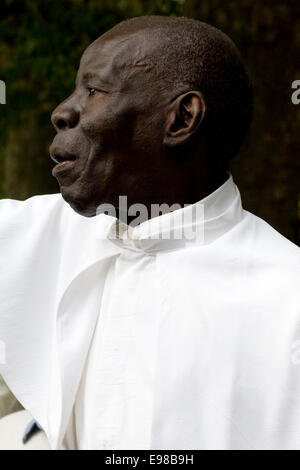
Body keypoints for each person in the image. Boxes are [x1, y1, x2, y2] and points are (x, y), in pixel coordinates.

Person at [0, 15, 299, 450]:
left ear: (181, 119)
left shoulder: (288, 300)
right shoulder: (36, 234)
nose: (62, 111)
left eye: (94, 90)